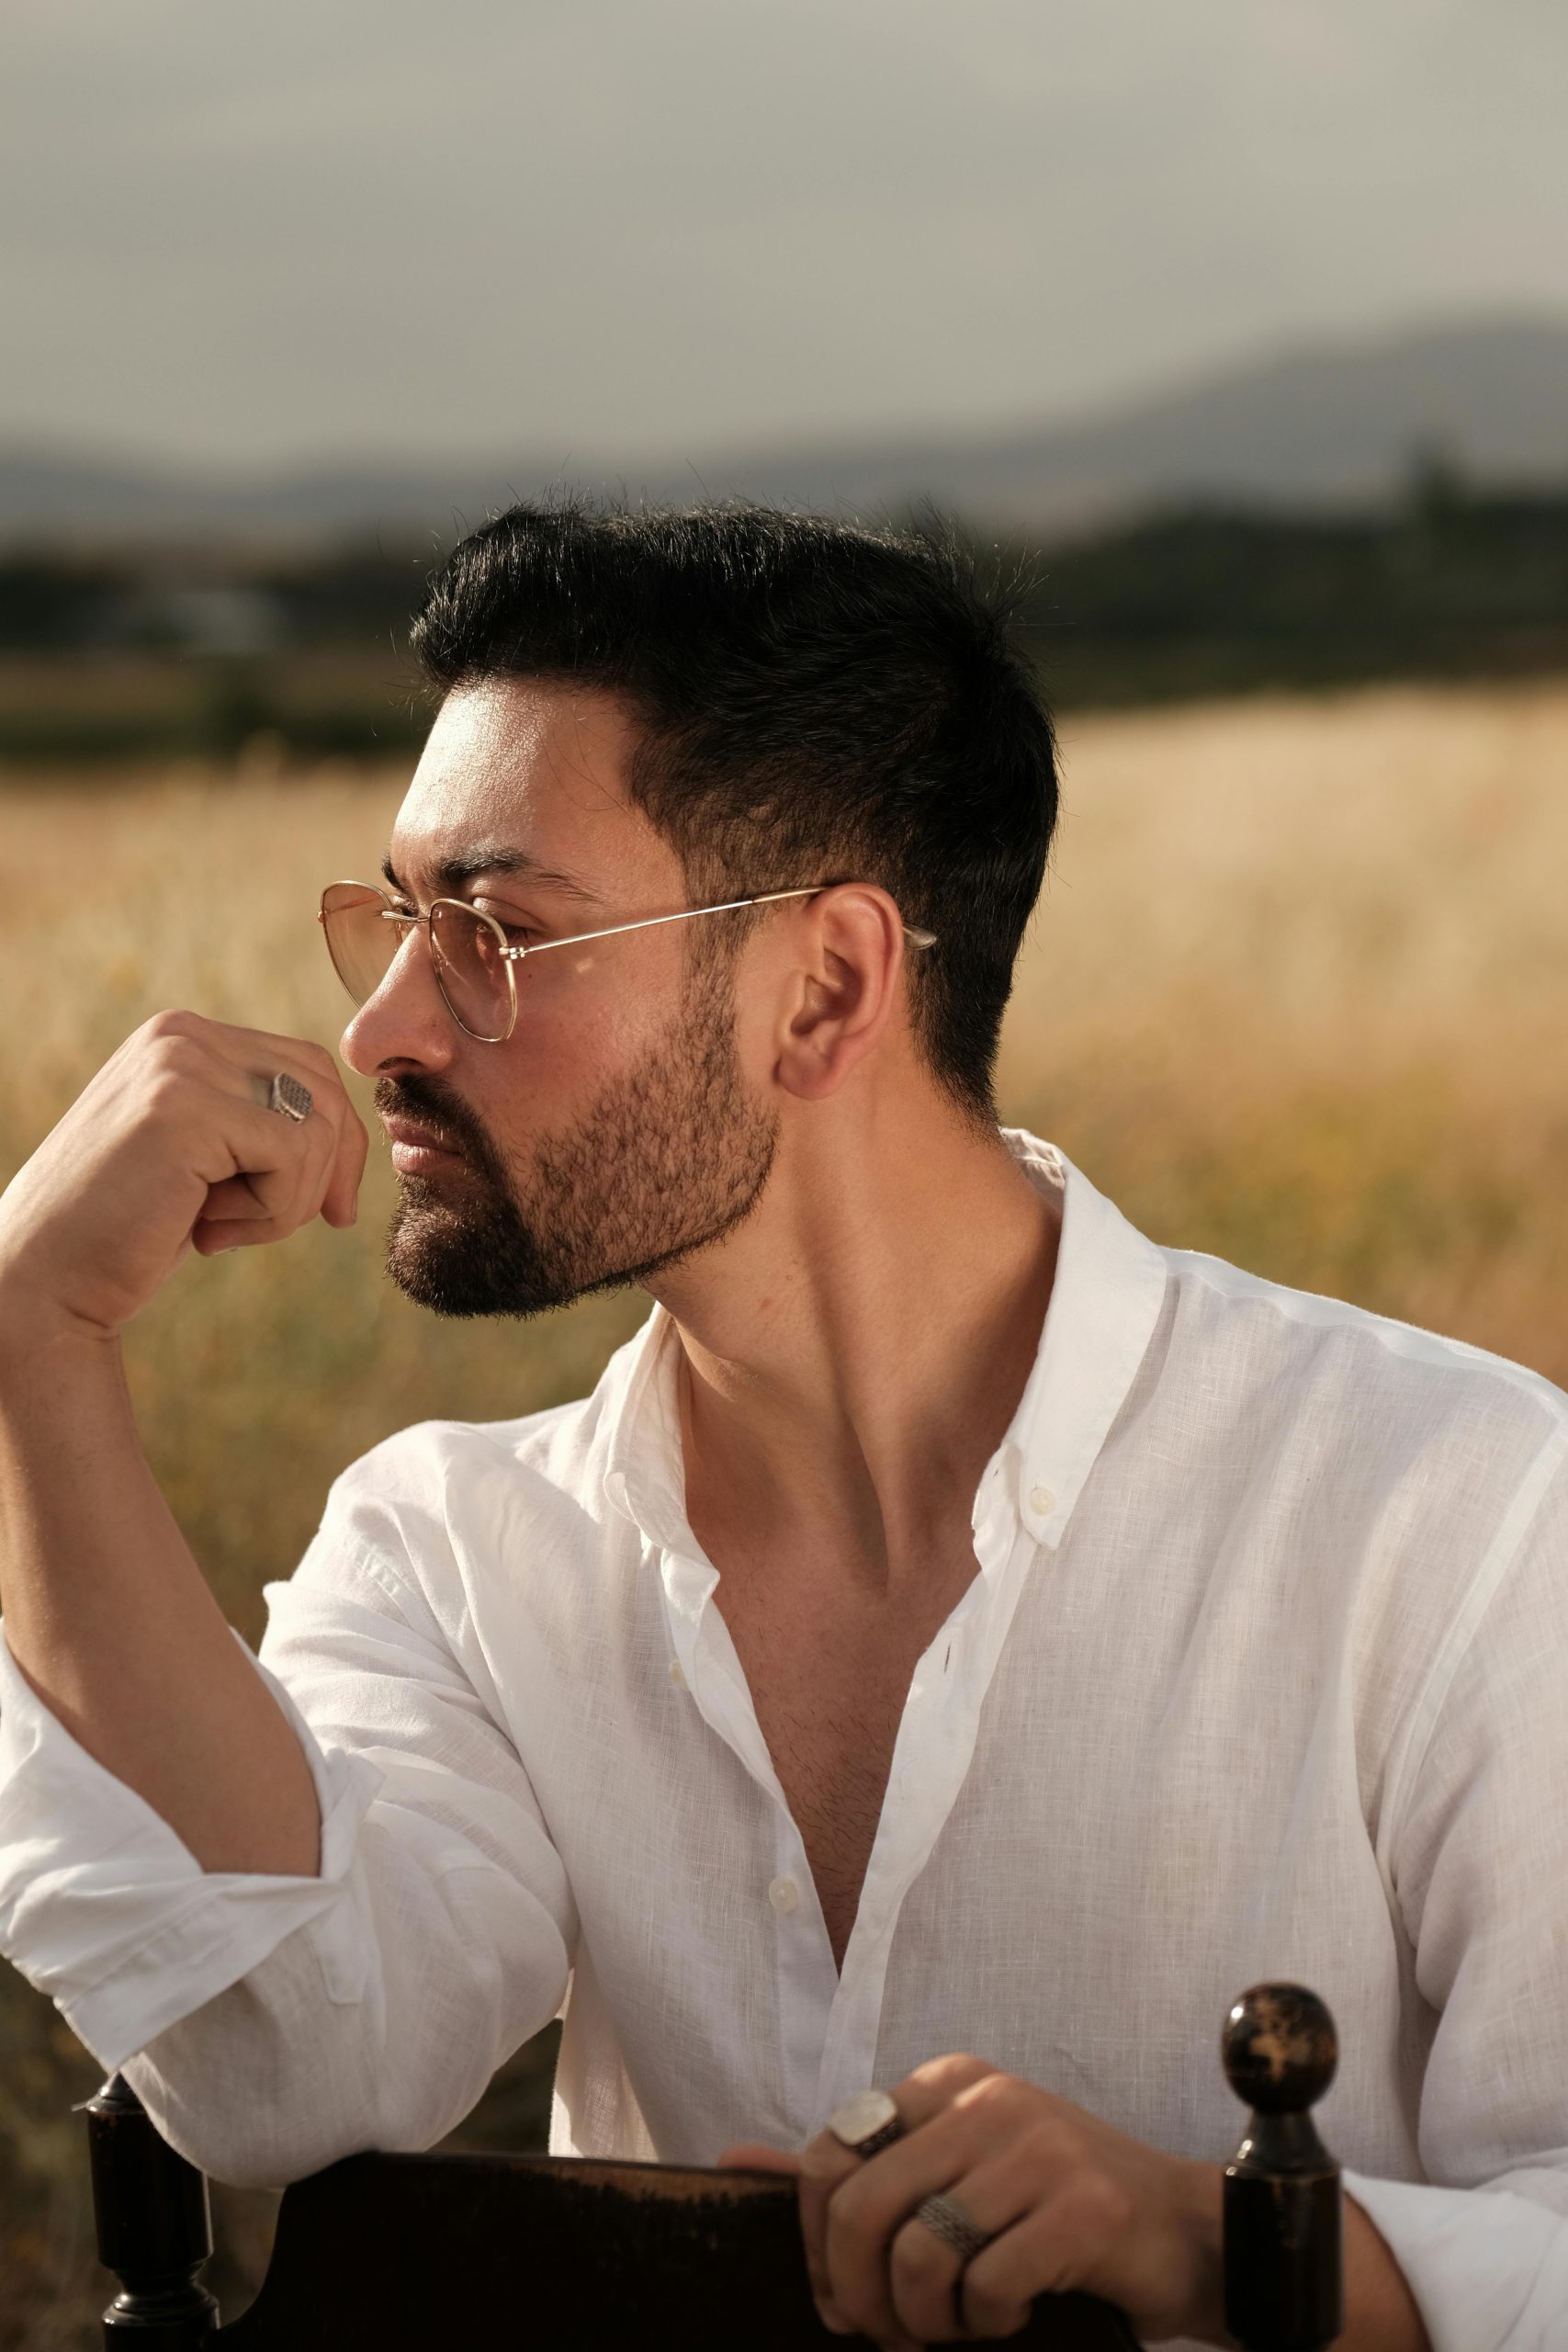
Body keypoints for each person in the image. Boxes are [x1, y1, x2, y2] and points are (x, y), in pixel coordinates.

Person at [0, 504, 1562, 2352]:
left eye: (494, 931)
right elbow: (285, 2068)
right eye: (398, 920)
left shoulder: (1458, 1509)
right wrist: (32, 1348)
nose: (381, 1028)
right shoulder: (453, 1552)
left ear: (823, 987)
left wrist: (1196, 2237)